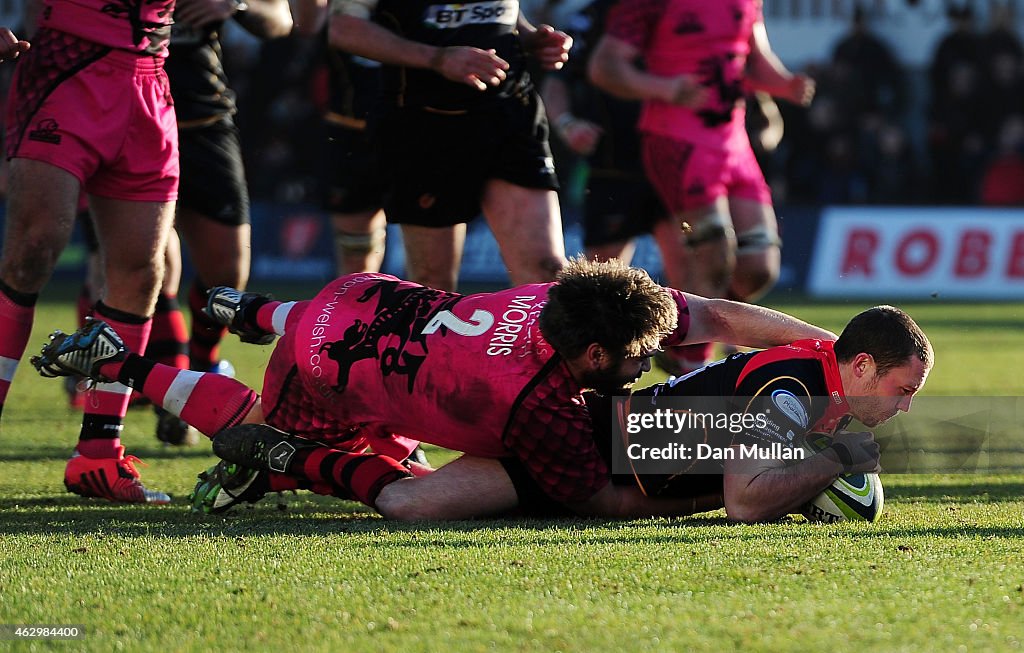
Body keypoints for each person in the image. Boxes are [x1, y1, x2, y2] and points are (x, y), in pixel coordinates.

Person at [30, 258, 836, 517]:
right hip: (334, 378)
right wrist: (724, 483)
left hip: (352, 298)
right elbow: (594, 495)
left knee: (356, 327)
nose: (649, 360)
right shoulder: (533, 404)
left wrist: (823, 345)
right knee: (379, 478)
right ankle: (125, 366)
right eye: (635, 357)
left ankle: (254, 311)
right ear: (592, 355)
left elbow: (712, 313)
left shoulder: (557, 295)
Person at [207, 304, 931, 523]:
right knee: (407, 501)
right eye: (902, 388)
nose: (902, 407)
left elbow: (724, 318)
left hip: (612, 437)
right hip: (585, 445)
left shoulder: (821, 371)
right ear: (862, 366)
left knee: (409, 495)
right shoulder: (791, 393)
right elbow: (744, 500)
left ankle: (284, 457)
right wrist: (828, 465)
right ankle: (291, 455)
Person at [1, 0, 180, 503]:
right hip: (67, 67)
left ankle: (98, 459)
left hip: (150, 77)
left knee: (143, 272)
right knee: (33, 250)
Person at [586, 0, 815, 376]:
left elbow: (753, 61)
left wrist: (785, 85)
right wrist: (663, 87)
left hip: (733, 142)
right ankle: (692, 375)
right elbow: (604, 66)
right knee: (712, 258)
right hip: (677, 140)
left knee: (759, 267)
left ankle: (678, 335)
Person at [327, 0, 573, 291]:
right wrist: (437, 58)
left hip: (510, 112)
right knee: (433, 284)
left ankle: (546, 338)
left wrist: (529, 36)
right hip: (424, 121)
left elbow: (496, 10)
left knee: (547, 270)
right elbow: (342, 28)